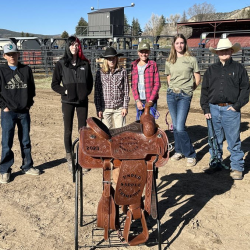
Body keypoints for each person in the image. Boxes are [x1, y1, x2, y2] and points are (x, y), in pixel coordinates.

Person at [200, 38, 250, 180]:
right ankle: (216, 162)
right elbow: (205, 90)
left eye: (226, 50)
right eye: (221, 51)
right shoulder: (211, 70)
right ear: (217, 53)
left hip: (230, 109)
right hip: (213, 108)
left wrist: (236, 106)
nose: (223, 52)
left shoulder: (239, 69)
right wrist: (206, 109)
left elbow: (245, 89)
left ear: (231, 51)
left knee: (233, 140)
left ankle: (237, 167)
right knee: (214, 138)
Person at [51, 36, 93, 172]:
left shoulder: (85, 64)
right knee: (67, 130)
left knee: (82, 130)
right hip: (67, 102)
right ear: (68, 47)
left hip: (82, 102)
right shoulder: (62, 64)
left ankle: (82, 157)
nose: (74, 47)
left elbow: (90, 82)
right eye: (72, 45)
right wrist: (65, 90)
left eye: (76, 45)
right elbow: (54, 84)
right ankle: (70, 157)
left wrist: (85, 92)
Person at [0, 43, 39, 184]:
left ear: (18, 54)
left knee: (25, 141)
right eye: (9, 54)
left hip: (23, 111)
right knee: (6, 142)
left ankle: (27, 166)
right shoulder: (1, 71)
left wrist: (28, 105)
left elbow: (32, 89)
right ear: (4, 56)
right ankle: (4, 170)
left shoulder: (26, 70)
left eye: (14, 54)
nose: (12, 56)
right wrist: (3, 106)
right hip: (8, 113)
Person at [165, 34, 201, 167]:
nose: (179, 45)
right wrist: (171, 89)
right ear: (173, 45)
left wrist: (190, 90)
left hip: (184, 96)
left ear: (185, 44)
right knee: (175, 126)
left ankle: (190, 154)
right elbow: (169, 78)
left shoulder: (191, 60)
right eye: (177, 43)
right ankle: (179, 151)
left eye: (181, 43)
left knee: (180, 127)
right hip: (171, 95)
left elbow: (197, 78)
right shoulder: (169, 61)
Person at [94, 47, 129, 128]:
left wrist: (125, 107)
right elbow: (97, 92)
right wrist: (98, 108)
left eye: (113, 58)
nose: (111, 61)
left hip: (119, 108)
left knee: (120, 133)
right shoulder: (100, 73)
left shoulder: (122, 71)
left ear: (116, 59)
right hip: (105, 108)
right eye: (109, 59)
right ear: (106, 60)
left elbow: (126, 90)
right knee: (106, 133)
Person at [131, 41, 161, 119]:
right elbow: (133, 85)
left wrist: (151, 100)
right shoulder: (134, 66)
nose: (144, 54)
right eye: (141, 52)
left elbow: (157, 83)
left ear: (149, 52)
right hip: (139, 99)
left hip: (150, 100)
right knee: (139, 123)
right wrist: (137, 100)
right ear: (138, 53)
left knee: (150, 122)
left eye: (146, 52)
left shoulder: (153, 65)